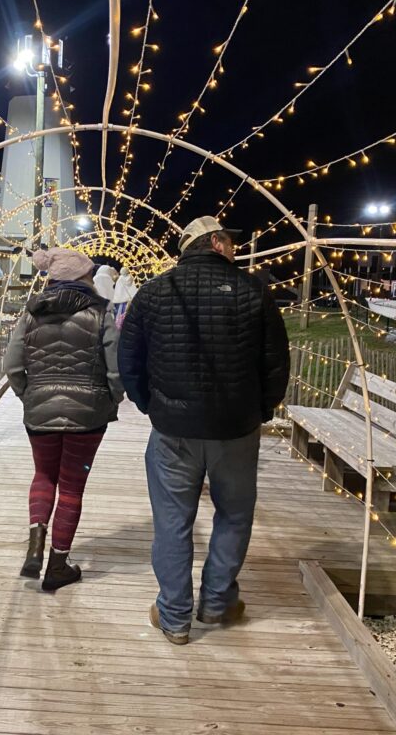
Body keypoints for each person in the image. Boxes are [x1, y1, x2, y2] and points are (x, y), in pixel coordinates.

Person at [117, 215, 290, 644]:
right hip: (236, 427)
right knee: (234, 514)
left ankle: (174, 617)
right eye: (230, 240)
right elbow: (275, 362)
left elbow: (129, 360)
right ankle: (216, 603)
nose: (234, 247)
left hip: (173, 429)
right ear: (214, 242)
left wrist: (149, 405)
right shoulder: (254, 292)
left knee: (172, 520)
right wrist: (261, 409)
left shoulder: (154, 292)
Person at [5, 247, 125, 591]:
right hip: (88, 415)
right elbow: (115, 368)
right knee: (72, 485)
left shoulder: (31, 313)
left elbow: (12, 365)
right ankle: (58, 565)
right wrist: (111, 399)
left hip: (39, 411)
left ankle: (35, 543)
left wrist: (29, 394)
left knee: (44, 475)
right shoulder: (101, 312)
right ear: (83, 277)